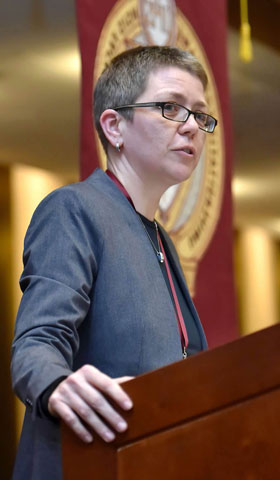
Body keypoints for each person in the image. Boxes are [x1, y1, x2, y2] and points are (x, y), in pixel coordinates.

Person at [10, 45, 216, 480]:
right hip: (86, 464)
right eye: (171, 108)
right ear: (114, 125)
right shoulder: (74, 209)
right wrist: (58, 384)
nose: (192, 127)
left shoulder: (160, 238)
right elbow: (36, 345)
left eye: (200, 114)